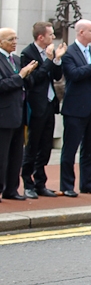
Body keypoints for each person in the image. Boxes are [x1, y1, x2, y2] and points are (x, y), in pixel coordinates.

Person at [60, 19, 91, 197]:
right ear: (81, 32)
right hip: (75, 108)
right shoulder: (69, 53)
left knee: (90, 148)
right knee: (70, 149)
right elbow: (74, 74)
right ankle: (67, 185)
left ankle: (87, 183)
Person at [20, 22, 66, 199]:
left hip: (49, 104)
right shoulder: (28, 53)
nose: (53, 37)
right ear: (41, 37)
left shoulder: (50, 53)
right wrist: (48, 61)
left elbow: (56, 76)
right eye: (50, 35)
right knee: (33, 145)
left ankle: (41, 183)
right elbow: (33, 80)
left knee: (46, 146)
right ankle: (28, 183)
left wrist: (56, 60)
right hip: (35, 106)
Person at [0, 28, 38, 202]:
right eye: (10, 39)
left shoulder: (15, 59)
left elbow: (26, 83)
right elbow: (3, 85)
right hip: (3, 115)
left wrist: (28, 74)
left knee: (16, 155)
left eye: (16, 38)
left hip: (18, 113)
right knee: (2, 156)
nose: (15, 42)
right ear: (1, 42)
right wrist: (20, 75)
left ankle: (11, 189)